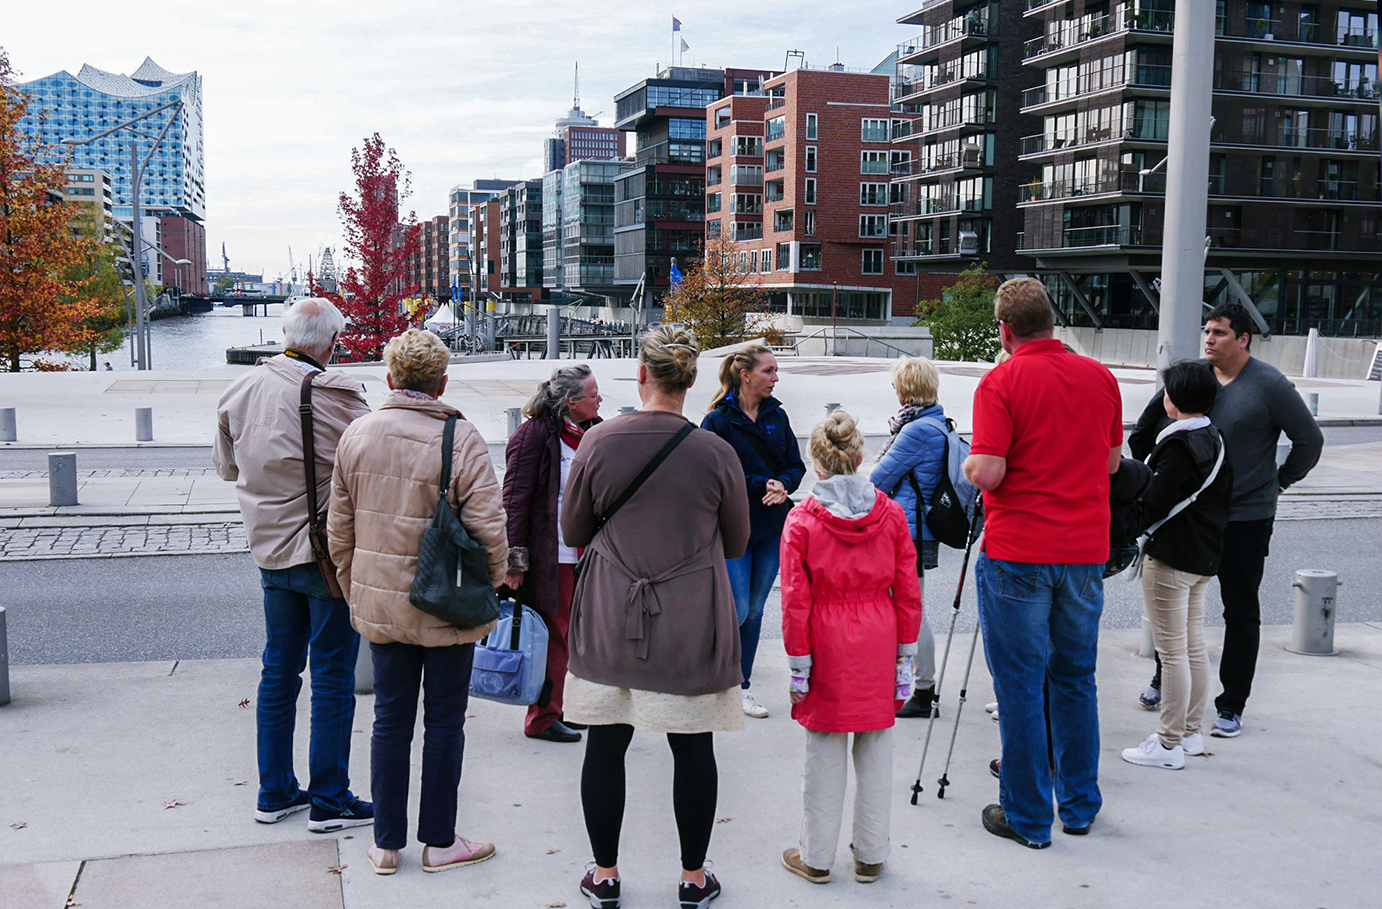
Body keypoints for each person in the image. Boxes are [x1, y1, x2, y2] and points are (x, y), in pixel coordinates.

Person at [561, 325, 750, 909]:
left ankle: (605, 874)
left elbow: (573, 531)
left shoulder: (598, 443)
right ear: (690, 381)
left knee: (605, 744)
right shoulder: (716, 452)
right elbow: (738, 541)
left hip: (612, 613)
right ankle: (693, 880)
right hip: (689, 616)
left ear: (641, 374)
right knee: (692, 747)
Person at [328, 329, 508, 875]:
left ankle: (385, 844)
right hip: (448, 604)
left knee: (388, 720)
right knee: (445, 721)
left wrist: (354, 589)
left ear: (390, 379)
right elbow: (489, 529)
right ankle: (439, 841)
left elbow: (340, 531)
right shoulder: (462, 437)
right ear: (443, 382)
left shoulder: (357, 434)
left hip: (381, 607)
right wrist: (492, 584)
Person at [964, 278, 1122, 849]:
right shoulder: (1099, 377)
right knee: (1076, 679)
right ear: (1051, 323)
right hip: (1083, 553)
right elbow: (1110, 465)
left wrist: (966, 468)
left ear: (1005, 330)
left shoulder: (1001, 381)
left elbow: (989, 472)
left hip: (1020, 552)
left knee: (1021, 686)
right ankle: (1079, 806)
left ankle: (1028, 817)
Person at [212, 298, 373, 833]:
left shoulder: (239, 391)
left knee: (278, 671)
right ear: (331, 343)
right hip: (325, 556)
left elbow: (226, 467)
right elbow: (372, 465)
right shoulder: (337, 396)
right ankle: (329, 798)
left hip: (270, 553)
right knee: (331, 675)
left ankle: (274, 790)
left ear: (285, 333)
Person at [1129, 302, 1322, 737]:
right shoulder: (1191, 378)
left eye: (1218, 332)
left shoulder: (1269, 385)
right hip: (1190, 518)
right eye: (1207, 331)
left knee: (1239, 609)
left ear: (1243, 339)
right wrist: (1151, 482)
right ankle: (1166, 681)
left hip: (1246, 517)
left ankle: (1232, 704)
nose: (1209, 339)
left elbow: (1309, 440)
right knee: (1174, 606)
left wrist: (1278, 482)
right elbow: (1142, 432)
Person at [779, 410, 921, 886]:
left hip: (826, 637)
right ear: (860, 457)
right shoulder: (892, 515)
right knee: (877, 747)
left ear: (815, 464)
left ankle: (817, 856)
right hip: (878, 636)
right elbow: (907, 592)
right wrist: (905, 655)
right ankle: (871, 854)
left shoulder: (801, 521)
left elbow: (795, 600)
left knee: (824, 751)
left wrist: (799, 667)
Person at [1121, 361, 1233, 771]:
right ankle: (1189, 734)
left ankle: (1167, 744)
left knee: (1171, 653)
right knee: (1191, 646)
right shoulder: (1213, 437)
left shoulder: (1178, 444)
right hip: (1203, 554)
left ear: (1174, 399)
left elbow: (1154, 500)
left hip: (1172, 555)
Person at [701, 343, 805, 718]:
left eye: (775, 371)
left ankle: (740, 685)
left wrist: (784, 485)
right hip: (733, 527)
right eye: (769, 371)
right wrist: (765, 483)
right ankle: (718, 675)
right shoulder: (718, 421)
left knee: (757, 608)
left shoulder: (778, 415)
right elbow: (713, 474)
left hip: (773, 527)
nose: (775, 378)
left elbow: (796, 464)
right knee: (738, 606)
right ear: (745, 375)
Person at [503, 364, 603, 744]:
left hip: (587, 556)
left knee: (577, 638)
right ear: (571, 401)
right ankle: (541, 718)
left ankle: (560, 707)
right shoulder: (534, 436)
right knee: (554, 638)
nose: (599, 400)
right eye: (593, 395)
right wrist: (515, 563)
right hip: (553, 554)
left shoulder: (592, 431)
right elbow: (514, 500)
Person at [869, 356, 947, 719]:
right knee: (909, 608)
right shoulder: (935, 422)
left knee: (912, 612)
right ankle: (908, 684)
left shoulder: (917, 431)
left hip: (908, 533)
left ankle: (924, 689)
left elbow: (878, 480)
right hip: (917, 530)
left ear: (905, 389)